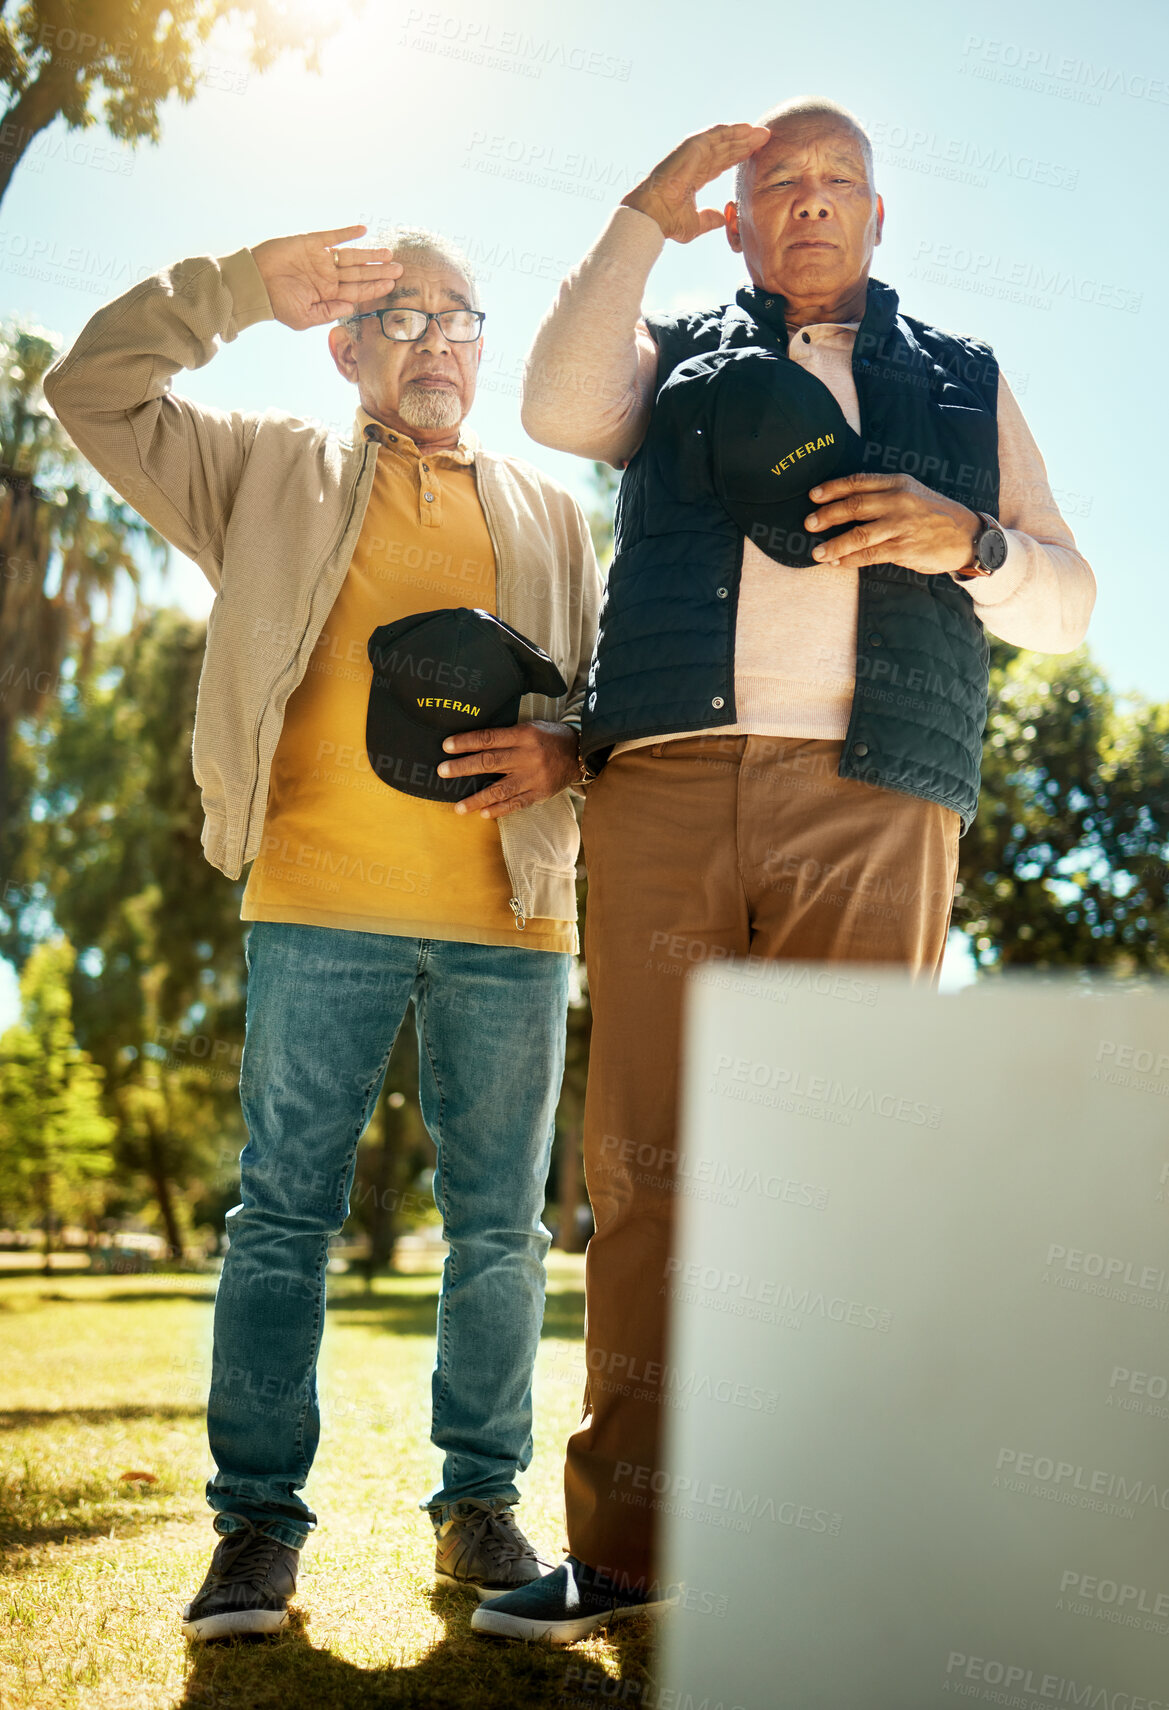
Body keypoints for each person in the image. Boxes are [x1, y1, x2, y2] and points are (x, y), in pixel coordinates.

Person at [472, 97, 1096, 1645]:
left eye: (837, 186)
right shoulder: (672, 355)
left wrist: (967, 541)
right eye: (774, 188)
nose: (807, 206)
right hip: (667, 783)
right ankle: (624, 1549)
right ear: (738, 219)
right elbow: (554, 407)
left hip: (879, 793)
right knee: (645, 1177)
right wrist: (644, 202)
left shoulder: (962, 378)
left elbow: (1068, 601)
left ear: (879, 219)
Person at [45, 221, 602, 1638]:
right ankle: (255, 1530)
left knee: (496, 1233)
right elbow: (89, 388)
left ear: (485, 341)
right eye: (398, 318)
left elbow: (604, 694)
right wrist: (236, 288)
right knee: (281, 1215)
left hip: (509, 918)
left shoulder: (550, 511)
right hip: (313, 900)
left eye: (457, 315)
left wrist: (569, 751)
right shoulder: (264, 469)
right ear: (343, 344)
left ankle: (481, 1501)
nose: (433, 342)